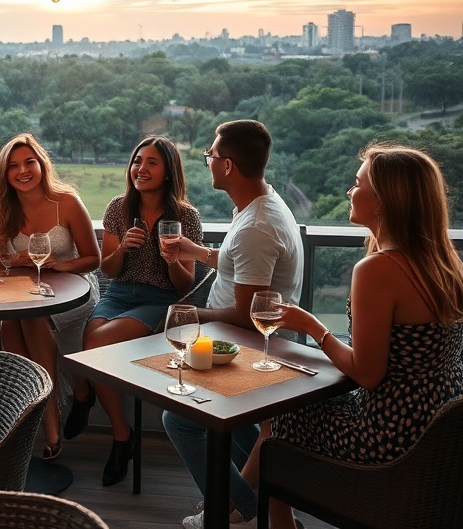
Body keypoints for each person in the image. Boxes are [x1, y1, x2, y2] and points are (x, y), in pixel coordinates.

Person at [257, 144, 463, 528]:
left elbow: (368, 374)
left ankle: (262, 516)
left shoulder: (378, 269)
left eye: (357, 183)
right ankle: (245, 504)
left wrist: (312, 327)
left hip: (391, 437)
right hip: (439, 430)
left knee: (280, 411)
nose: (350, 192)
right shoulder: (445, 263)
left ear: (385, 200)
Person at [163, 119, 303, 529]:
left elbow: (249, 314)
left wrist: (192, 316)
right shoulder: (260, 203)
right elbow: (239, 267)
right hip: (238, 344)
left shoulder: (257, 226)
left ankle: (235, 503)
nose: (206, 161)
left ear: (226, 165)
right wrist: (198, 251)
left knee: (181, 421)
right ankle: (258, 503)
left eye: (210, 155)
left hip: (246, 347)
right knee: (243, 433)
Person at [63, 136, 203, 487]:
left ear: (168, 171)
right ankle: (119, 428)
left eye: (152, 162)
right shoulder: (118, 208)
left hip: (158, 300)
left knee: (92, 346)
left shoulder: (186, 216)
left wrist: (171, 260)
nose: (141, 168)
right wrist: (122, 247)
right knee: (89, 338)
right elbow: (108, 271)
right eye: (138, 160)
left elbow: (184, 285)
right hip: (120, 292)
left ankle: (111, 425)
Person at [0, 133, 101, 460]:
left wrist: (61, 264)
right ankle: (38, 411)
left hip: (74, 290)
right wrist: (13, 261)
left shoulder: (66, 202)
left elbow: (94, 259)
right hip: (27, 296)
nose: (23, 171)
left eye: (29, 162)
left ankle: (49, 423)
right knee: (9, 325)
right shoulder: (0, 213)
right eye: (13, 166)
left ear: (41, 164)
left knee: (30, 320)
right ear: (4, 174)